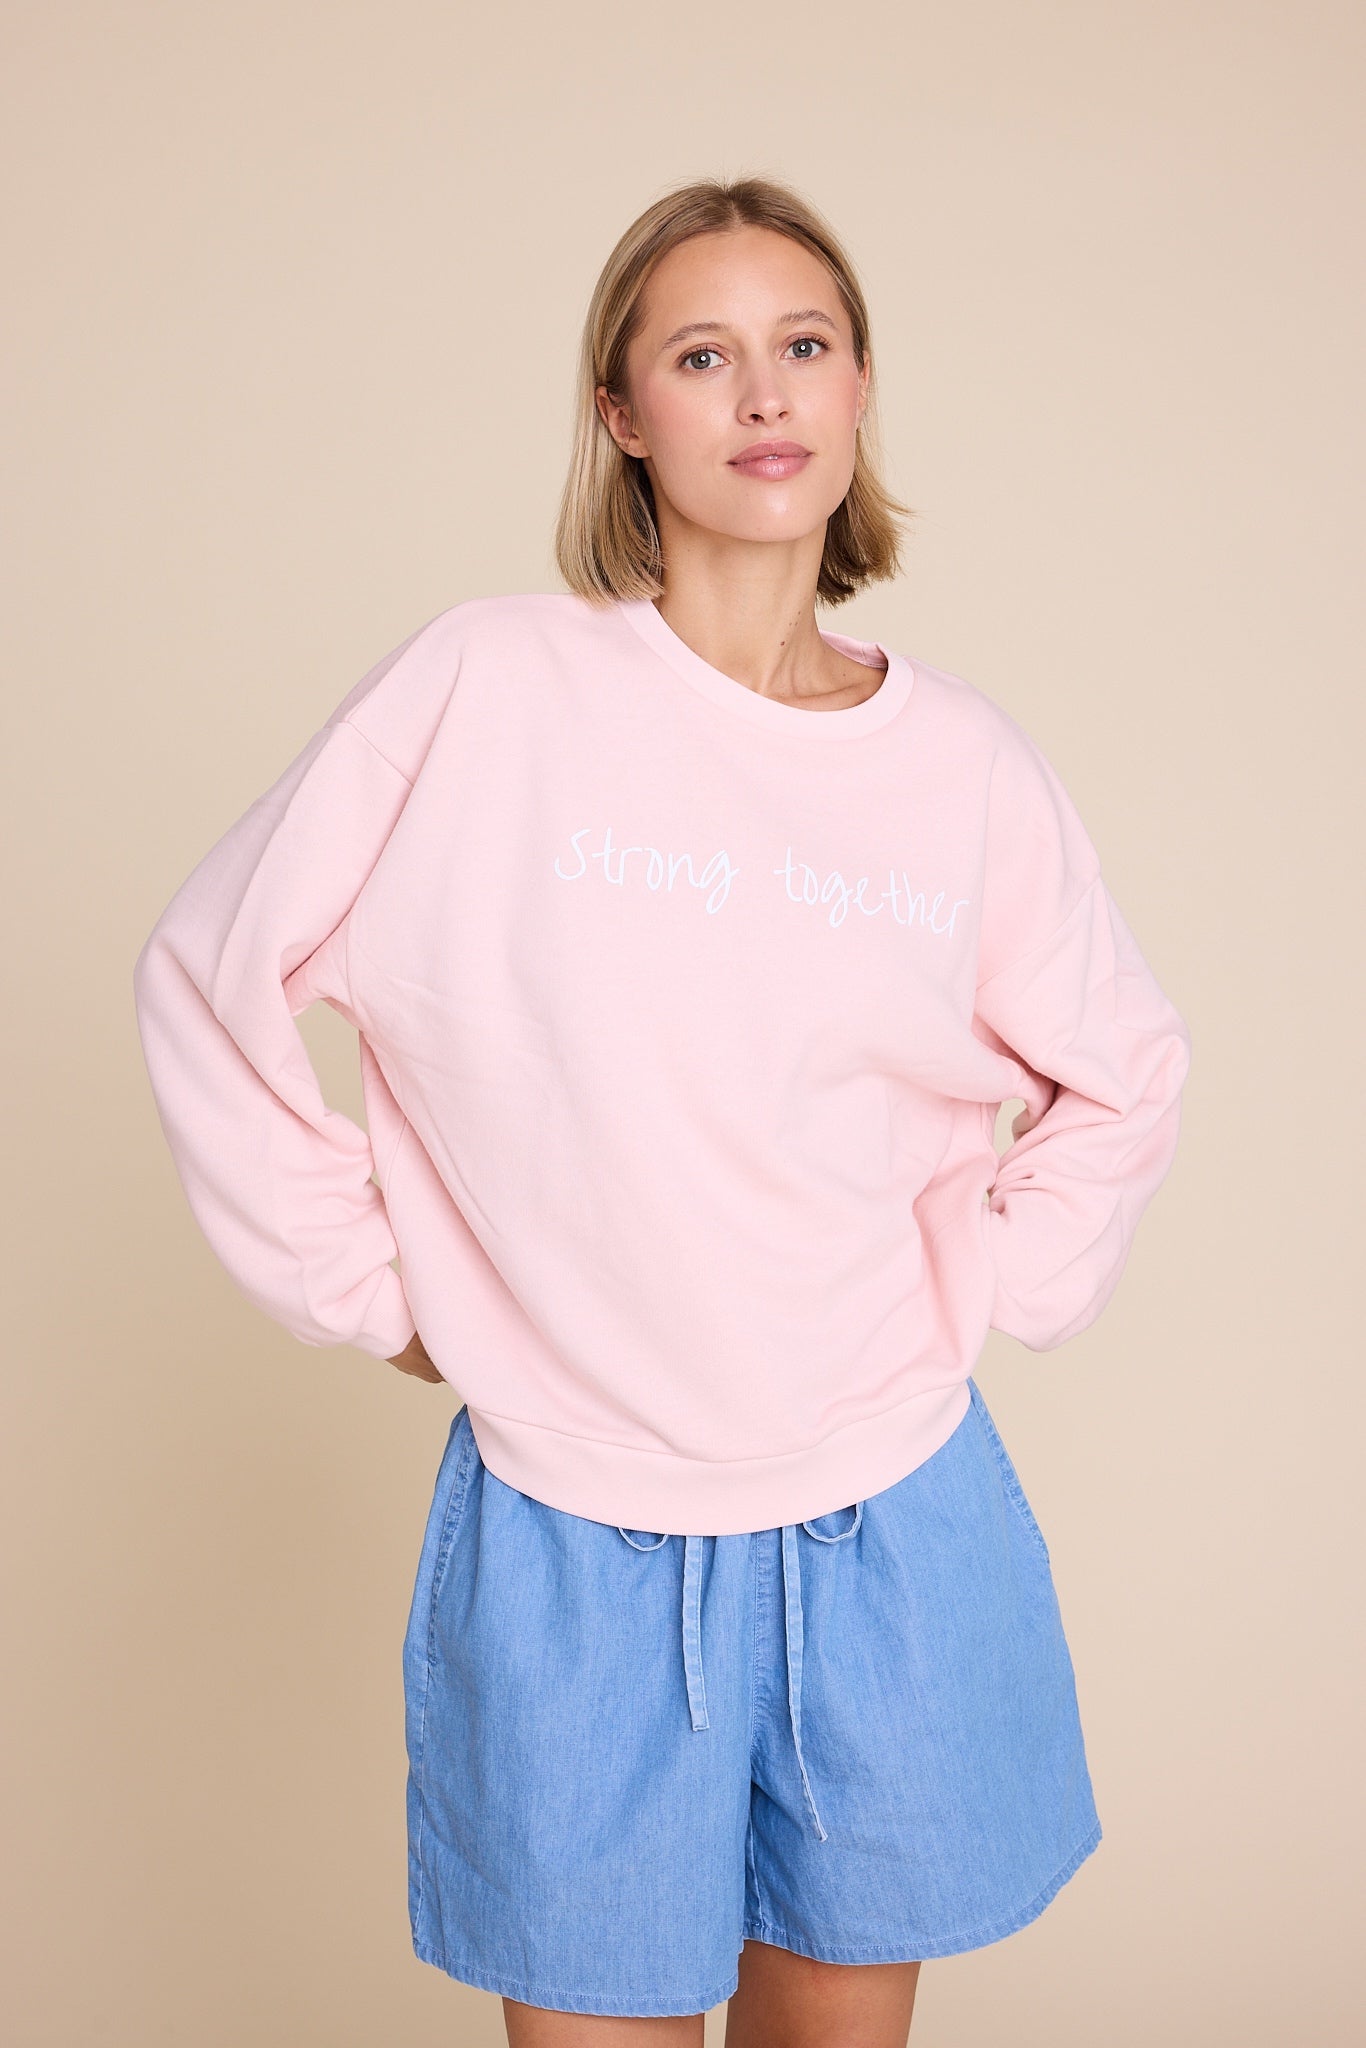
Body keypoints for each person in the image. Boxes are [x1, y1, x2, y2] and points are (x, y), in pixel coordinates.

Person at [132, 175, 1193, 2047]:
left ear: (856, 390)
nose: (762, 393)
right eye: (702, 356)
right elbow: (207, 971)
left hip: (882, 1514)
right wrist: (372, 1290)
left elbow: (1123, 1063)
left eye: (803, 345)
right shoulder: (488, 688)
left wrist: (995, 1281)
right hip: (572, 1531)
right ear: (621, 413)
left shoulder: (957, 766)